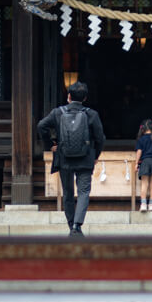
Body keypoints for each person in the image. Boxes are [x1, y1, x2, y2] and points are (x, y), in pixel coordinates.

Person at [37, 81, 105, 237]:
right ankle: (77, 226)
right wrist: (95, 156)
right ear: (85, 98)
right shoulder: (92, 114)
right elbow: (100, 138)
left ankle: (71, 227)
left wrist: (50, 145)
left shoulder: (57, 113)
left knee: (67, 193)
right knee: (83, 192)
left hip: (64, 159)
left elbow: (41, 125)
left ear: (68, 96)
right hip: (85, 159)